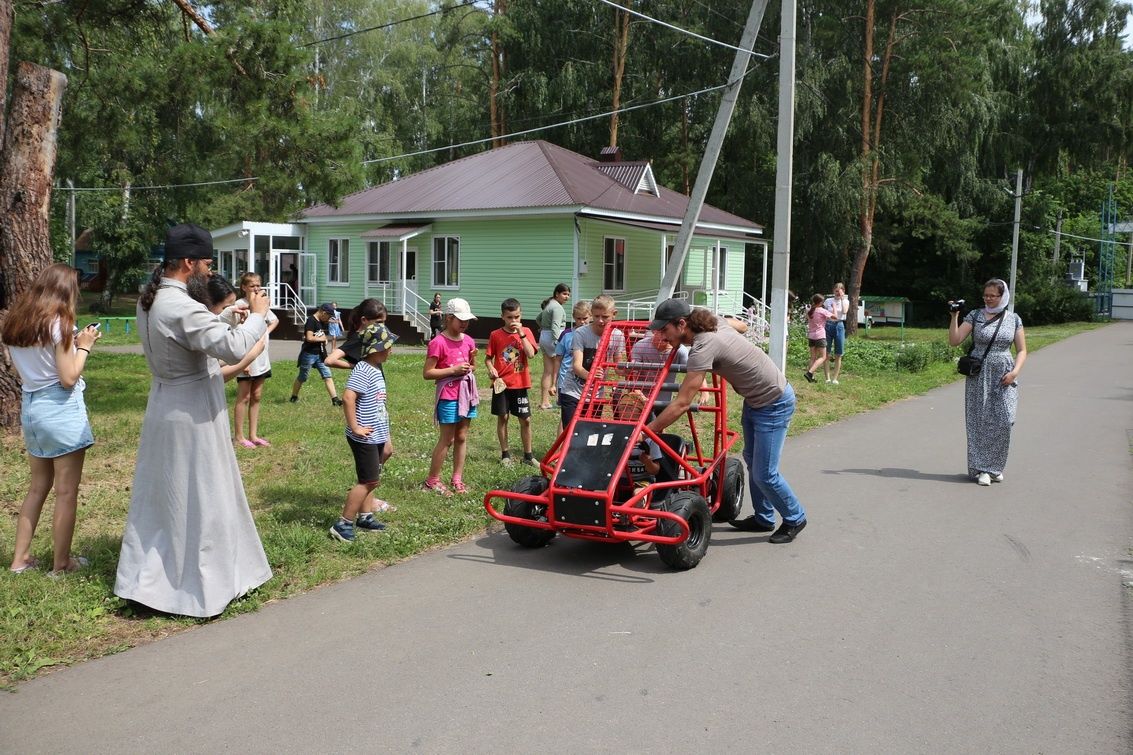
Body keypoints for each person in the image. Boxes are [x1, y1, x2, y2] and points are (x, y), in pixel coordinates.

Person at [114, 223, 273, 617]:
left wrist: (226, 317)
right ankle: (197, 583)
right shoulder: (181, 305)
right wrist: (257, 316)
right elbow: (234, 349)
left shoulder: (151, 299)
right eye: (206, 262)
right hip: (191, 412)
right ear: (188, 262)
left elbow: (189, 338)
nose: (210, 270)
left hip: (167, 402)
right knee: (200, 492)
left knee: (163, 495)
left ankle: (148, 577)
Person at [645, 298, 808, 544]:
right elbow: (740, 325)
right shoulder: (713, 323)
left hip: (774, 402)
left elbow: (681, 402)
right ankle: (764, 517)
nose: (661, 335)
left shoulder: (703, 346)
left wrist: (647, 430)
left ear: (681, 324)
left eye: (664, 329)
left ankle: (795, 517)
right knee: (753, 462)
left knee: (765, 473)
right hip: (755, 400)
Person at [3, 263, 100, 575]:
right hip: (60, 410)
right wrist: (84, 346)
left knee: (37, 488)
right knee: (66, 492)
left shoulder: (17, 323)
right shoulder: (59, 324)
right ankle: (61, 564)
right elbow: (69, 377)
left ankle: (19, 560)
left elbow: (21, 372)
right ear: (65, 291)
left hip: (31, 409)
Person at [948, 278, 1027, 486]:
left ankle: (994, 465)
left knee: (1005, 420)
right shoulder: (975, 315)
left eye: (993, 296)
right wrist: (954, 316)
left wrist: (1015, 372)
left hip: (1004, 374)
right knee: (979, 421)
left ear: (1003, 296)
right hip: (979, 373)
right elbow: (955, 341)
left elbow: (1022, 350)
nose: (988, 299)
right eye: (986, 295)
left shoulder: (1014, 319)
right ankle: (984, 468)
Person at [325, 299, 396, 512]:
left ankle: (367, 488)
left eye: (384, 322)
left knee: (386, 451)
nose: (382, 326)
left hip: (377, 406)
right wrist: (356, 366)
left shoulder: (376, 338)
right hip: (366, 413)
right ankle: (367, 494)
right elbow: (330, 360)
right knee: (377, 457)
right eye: (378, 321)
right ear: (365, 321)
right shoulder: (361, 340)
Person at [331, 322, 398, 542]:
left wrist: (386, 438)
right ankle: (343, 524)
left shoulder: (376, 368)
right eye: (387, 346)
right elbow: (349, 398)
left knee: (372, 478)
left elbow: (381, 407)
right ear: (375, 348)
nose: (390, 350)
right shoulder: (363, 369)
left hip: (376, 435)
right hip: (364, 437)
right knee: (367, 481)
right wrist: (355, 427)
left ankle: (365, 517)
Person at [422, 297, 479, 495]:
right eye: (459, 319)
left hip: (466, 394)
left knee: (462, 437)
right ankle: (432, 480)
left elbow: (472, 366)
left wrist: (469, 367)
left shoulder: (469, 341)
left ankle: (457, 478)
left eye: (467, 320)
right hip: (448, 395)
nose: (464, 323)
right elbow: (428, 373)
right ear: (448, 318)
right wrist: (453, 370)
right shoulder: (438, 342)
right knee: (447, 439)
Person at [486, 297, 538, 466]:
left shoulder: (527, 332)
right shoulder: (495, 334)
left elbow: (530, 354)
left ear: (520, 315)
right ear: (502, 316)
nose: (513, 321)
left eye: (516, 317)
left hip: (520, 383)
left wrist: (521, 334)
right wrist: (490, 368)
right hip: (501, 384)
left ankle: (528, 456)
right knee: (503, 417)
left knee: (526, 419)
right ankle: (505, 454)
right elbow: (488, 358)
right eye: (509, 317)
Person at [228, 273, 278, 447]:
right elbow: (235, 333)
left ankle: (254, 435)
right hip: (246, 357)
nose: (256, 288)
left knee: (256, 395)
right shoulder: (239, 306)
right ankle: (239, 436)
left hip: (262, 357)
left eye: (258, 285)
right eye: (252, 286)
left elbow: (274, 320)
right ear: (243, 287)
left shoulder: (261, 305)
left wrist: (265, 333)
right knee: (244, 396)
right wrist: (245, 362)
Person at [204, 275, 267, 383]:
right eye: (225, 307)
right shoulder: (201, 332)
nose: (233, 310)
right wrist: (251, 354)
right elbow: (213, 375)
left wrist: (222, 319)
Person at [570, 294, 626, 411]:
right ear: (591, 314)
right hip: (573, 390)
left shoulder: (618, 335)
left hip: (596, 392)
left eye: (605, 316)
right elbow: (576, 366)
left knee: (592, 428)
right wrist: (591, 376)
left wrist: (627, 370)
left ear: (614, 314)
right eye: (596, 316)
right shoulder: (581, 333)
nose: (600, 320)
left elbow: (618, 367)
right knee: (572, 427)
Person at [289, 303, 343, 406]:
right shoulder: (311, 321)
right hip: (309, 354)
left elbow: (320, 334)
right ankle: (294, 396)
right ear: (323, 312)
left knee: (327, 375)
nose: (328, 319)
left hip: (320, 354)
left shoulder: (321, 321)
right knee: (302, 377)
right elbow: (309, 338)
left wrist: (325, 339)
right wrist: (321, 339)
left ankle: (335, 400)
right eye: (328, 316)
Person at [555, 300, 590, 430]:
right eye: (578, 318)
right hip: (566, 381)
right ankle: (561, 446)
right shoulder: (566, 335)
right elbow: (558, 359)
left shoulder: (593, 335)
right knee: (565, 418)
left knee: (584, 417)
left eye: (585, 318)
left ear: (590, 316)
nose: (582, 322)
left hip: (585, 382)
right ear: (574, 318)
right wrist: (554, 382)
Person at [536, 283, 570, 409]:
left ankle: (544, 402)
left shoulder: (549, 305)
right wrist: (558, 341)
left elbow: (538, 318)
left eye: (568, 295)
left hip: (544, 337)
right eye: (564, 294)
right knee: (561, 370)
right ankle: (560, 400)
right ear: (557, 294)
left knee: (548, 371)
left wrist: (543, 329)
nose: (566, 297)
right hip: (554, 339)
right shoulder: (557, 308)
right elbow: (556, 326)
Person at [823, 282, 850, 384]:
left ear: (843, 291)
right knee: (826, 352)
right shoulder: (828, 301)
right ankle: (827, 378)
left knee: (839, 352)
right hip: (828, 324)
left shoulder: (846, 301)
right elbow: (824, 313)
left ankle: (835, 378)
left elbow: (844, 311)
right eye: (836, 290)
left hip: (839, 325)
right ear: (833, 290)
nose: (838, 292)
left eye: (840, 290)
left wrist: (842, 299)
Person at [804, 293, 834, 383]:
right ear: (821, 302)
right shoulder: (822, 310)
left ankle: (811, 378)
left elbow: (808, 318)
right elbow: (835, 316)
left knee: (813, 357)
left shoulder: (810, 311)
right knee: (823, 357)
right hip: (820, 336)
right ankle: (809, 373)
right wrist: (834, 308)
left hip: (811, 336)